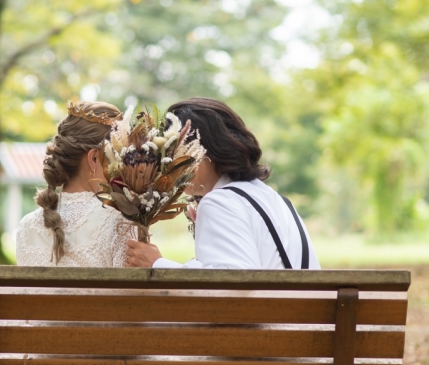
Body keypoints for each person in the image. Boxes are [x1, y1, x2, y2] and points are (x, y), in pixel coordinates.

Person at [125, 97, 320, 270]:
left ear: (204, 151)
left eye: (173, 153)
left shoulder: (220, 202)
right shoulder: (276, 200)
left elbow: (232, 283)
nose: (168, 166)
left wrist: (158, 265)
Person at [16, 100, 134, 267]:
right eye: (118, 157)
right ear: (94, 158)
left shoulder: (26, 226)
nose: (123, 168)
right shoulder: (121, 222)